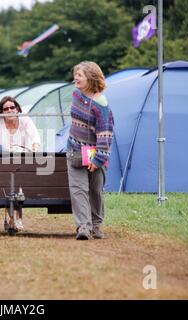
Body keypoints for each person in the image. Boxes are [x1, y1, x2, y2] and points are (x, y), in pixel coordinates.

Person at [66, 61, 114, 240]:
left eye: (80, 75)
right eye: (75, 74)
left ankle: (96, 225)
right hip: (75, 151)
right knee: (78, 190)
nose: (75, 78)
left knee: (95, 191)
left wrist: (98, 159)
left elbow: (105, 133)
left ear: (91, 78)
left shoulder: (101, 104)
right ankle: (83, 227)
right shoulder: (75, 95)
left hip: (96, 154)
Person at [0, 96, 41, 231]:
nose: (10, 110)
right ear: (1, 111)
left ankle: (16, 218)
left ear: (17, 109)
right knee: (9, 184)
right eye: (6, 109)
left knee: (18, 184)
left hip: (24, 159)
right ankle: (13, 219)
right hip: (2, 160)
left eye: (12, 107)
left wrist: (33, 150)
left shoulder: (25, 120)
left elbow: (36, 138)